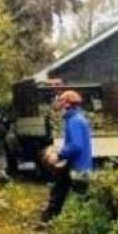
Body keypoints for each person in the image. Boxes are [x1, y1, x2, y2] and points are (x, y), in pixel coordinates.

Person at [41, 89, 94, 222]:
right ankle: (51, 220)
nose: (58, 107)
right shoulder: (77, 119)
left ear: (67, 105)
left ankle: (52, 221)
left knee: (75, 199)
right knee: (60, 190)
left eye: (60, 103)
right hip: (78, 166)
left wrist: (58, 154)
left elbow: (76, 145)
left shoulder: (74, 121)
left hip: (77, 168)